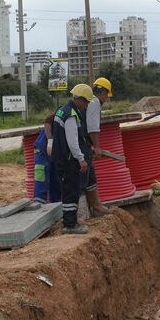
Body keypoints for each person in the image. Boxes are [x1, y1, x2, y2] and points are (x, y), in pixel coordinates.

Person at [50, 84, 95, 234]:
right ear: (80, 100)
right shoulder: (71, 114)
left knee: (68, 189)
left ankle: (70, 220)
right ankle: (70, 225)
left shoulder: (62, 110)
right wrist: (81, 159)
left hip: (61, 158)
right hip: (69, 160)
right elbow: (72, 141)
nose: (87, 105)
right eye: (87, 102)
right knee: (71, 190)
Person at [82, 77, 116, 217]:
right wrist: (97, 147)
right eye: (106, 95)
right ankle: (94, 208)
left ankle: (95, 207)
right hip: (82, 144)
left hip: (82, 143)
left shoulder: (88, 101)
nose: (106, 99)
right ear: (101, 92)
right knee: (87, 175)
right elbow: (92, 127)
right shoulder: (95, 102)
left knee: (89, 175)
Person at [32, 113, 62, 206]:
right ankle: (38, 206)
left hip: (56, 153)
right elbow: (48, 121)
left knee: (56, 181)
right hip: (43, 150)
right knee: (41, 179)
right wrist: (50, 141)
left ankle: (55, 206)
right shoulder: (65, 110)